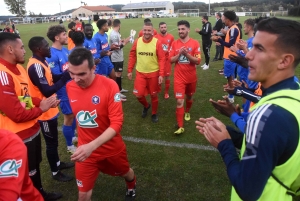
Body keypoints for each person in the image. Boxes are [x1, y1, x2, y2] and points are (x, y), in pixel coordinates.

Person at [196, 18, 300, 200]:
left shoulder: (268, 114)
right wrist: (230, 134)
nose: (249, 55)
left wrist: (224, 144)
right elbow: (273, 145)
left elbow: (247, 189)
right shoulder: (294, 95)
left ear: (285, 61)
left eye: (259, 49)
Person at [66, 48, 136, 201]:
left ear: (93, 68)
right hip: (85, 151)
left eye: (81, 74)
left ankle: (131, 186)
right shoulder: (70, 87)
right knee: (83, 195)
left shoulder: (110, 85)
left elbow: (117, 123)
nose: (76, 79)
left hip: (111, 149)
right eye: (72, 73)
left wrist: (92, 145)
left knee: (126, 173)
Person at [0, 32, 62, 201]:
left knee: (34, 167)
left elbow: (23, 98)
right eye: (21, 47)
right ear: (10, 49)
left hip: (31, 129)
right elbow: (17, 114)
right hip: (17, 136)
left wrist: (43, 102)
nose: (24, 51)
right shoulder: (2, 75)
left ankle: (40, 193)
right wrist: (41, 108)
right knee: (27, 172)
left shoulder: (19, 68)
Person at [27, 36, 74, 182]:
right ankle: (55, 172)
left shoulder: (43, 61)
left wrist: (67, 74)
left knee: (54, 141)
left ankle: (58, 163)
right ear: (38, 49)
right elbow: (47, 91)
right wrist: (65, 78)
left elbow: (53, 77)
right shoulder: (35, 66)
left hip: (51, 109)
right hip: (44, 113)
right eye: (46, 46)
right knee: (51, 143)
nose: (49, 48)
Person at [46, 25, 77, 154]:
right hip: (63, 91)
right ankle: (70, 146)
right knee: (68, 116)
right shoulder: (51, 55)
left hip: (72, 88)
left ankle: (73, 136)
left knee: (74, 112)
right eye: (64, 34)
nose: (66, 36)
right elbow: (55, 76)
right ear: (57, 37)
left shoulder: (65, 50)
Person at [128, 22, 165, 123]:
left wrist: (161, 74)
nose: (147, 32)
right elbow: (132, 55)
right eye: (145, 30)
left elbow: (162, 59)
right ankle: (146, 105)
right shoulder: (137, 41)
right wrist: (130, 70)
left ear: (152, 31)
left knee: (154, 95)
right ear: (142, 30)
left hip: (154, 73)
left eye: (149, 30)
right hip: (140, 73)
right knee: (138, 95)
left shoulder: (157, 42)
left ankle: (154, 113)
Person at [169, 20, 201, 134]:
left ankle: (187, 111)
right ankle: (180, 126)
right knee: (179, 101)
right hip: (179, 78)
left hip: (191, 77)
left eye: (182, 29)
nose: (180, 31)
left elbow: (198, 61)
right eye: (179, 29)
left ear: (188, 29)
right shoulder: (174, 44)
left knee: (189, 97)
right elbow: (170, 60)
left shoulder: (195, 43)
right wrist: (179, 54)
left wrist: (187, 54)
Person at [0, 129, 43, 201]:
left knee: (34, 168)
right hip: (24, 133)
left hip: (29, 132)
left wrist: (37, 117)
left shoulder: (8, 143)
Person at [211, 11, 240, 103]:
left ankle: (231, 97)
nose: (222, 19)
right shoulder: (232, 28)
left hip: (230, 57)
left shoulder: (233, 29)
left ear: (228, 19)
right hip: (230, 56)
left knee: (229, 77)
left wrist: (219, 40)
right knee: (231, 77)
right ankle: (231, 94)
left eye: (223, 17)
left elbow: (230, 44)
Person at [109, 19, 130, 98]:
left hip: (119, 57)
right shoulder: (114, 34)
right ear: (119, 25)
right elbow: (116, 47)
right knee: (117, 74)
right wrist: (126, 42)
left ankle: (120, 89)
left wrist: (122, 41)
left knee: (119, 73)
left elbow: (117, 43)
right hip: (116, 57)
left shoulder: (116, 33)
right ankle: (117, 91)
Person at [155, 21, 174, 99]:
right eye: (162, 27)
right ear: (159, 28)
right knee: (157, 75)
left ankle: (166, 92)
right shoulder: (155, 37)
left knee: (167, 76)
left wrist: (170, 56)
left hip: (167, 60)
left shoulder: (171, 37)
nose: (163, 29)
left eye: (164, 27)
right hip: (158, 60)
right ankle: (158, 88)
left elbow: (172, 48)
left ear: (167, 27)